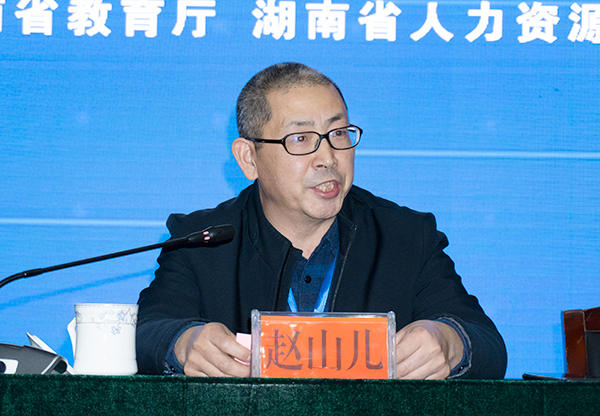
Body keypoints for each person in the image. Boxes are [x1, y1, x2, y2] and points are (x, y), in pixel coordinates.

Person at [136, 62, 507, 379]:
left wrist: (449, 341)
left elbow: (487, 344)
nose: (328, 158)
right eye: (301, 138)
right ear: (249, 158)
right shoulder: (200, 242)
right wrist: (183, 343)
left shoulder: (406, 237)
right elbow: (147, 332)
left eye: (338, 133)